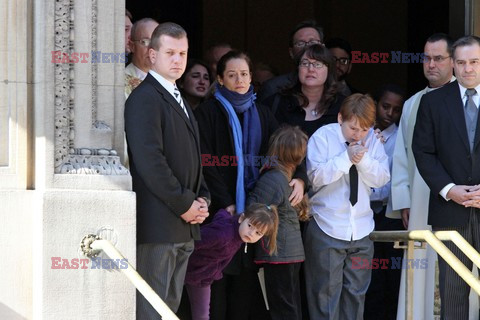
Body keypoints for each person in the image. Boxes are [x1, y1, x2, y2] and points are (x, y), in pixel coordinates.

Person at [194, 50, 307, 320]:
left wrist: (300, 177)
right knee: (216, 283)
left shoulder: (263, 113)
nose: (239, 80)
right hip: (221, 214)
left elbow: (286, 150)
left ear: (251, 77)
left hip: (254, 217)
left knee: (245, 288)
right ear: (220, 79)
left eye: (244, 74)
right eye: (231, 75)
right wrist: (227, 203)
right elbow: (204, 162)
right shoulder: (207, 112)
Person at [124, 22, 210, 319]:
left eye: (183, 54)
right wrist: (185, 203)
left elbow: (193, 158)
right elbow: (151, 162)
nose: (177, 60)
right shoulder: (144, 99)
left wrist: (203, 199)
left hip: (183, 226)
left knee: (169, 310)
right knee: (152, 311)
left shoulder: (180, 99)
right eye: (170, 52)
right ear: (151, 55)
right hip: (158, 226)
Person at [412, 35, 480, 320]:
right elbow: (423, 152)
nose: (467, 69)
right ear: (453, 64)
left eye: (474, 62)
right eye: (461, 62)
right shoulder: (433, 102)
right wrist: (449, 189)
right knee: (452, 295)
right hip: (450, 210)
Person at [305, 93, 390, 319]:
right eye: (353, 128)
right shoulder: (322, 137)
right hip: (327, 226)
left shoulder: (372, 139)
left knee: (356, 294)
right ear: (341, 118)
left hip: (361, 228)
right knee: (325, 296)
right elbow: (315, 177)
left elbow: (382, 179)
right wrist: (346, 158)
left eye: (364, 129)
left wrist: (363, 160)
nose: (358, 135)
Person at [391, 33, 457, 320]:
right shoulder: (412, 104)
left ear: (453, 62)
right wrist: (404, 200)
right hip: (419, 201)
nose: (431, 64)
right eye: (427, 58)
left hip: (459, 201)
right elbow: (402, 157)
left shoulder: (469, 100)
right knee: (420, 261)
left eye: (439, 58)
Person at [248, 125, 309, 320]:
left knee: (281, 309)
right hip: (292, 253)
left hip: (277, 254)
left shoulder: (272, 179)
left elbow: (253, 210)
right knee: (291, 306)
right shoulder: (290, 179)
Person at [185, 204, 279, 320]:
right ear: (242, 218)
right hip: (188, 269)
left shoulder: (235, 232)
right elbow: (192, 243)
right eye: (250, 226)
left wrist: (226, 211)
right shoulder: (224, 235)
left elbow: (221, 214)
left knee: (202, 314)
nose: (251, 234)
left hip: (202, 277)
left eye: (258, 233)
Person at [364, 84, 405, 320]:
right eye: (385, 106)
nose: (389, 113)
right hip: (361, 215)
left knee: (391, 273)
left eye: (396, 110)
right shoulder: (359, 131)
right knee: (368, 276)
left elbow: (393, 183)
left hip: (389, 215)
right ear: (375, 104)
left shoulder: (401, 138)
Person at [264, 44, 345, 137]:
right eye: (305, 63)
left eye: (317, 64)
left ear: (329, 70)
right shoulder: (276, 103)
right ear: (298, 69)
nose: (310, 69)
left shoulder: (343, 106)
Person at [257, 20, 324, 103]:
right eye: (300, 43)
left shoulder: (335, 88)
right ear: (291, 52)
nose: (307, 47)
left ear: (323, 48)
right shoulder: (273, 88)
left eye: (313, 42)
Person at [125, 18, 159, 98]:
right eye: (145, 42)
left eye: (157, 42)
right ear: (132, 46)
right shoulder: (121, 85)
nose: (152, 49)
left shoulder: (167, 80)